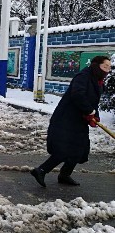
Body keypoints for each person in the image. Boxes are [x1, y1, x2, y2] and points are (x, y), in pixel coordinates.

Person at [30, 55, 111, 187]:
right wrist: (89, 111)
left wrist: (95, 116)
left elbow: (93, 101)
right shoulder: (83, 76)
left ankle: (64, 175)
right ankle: (41, 171)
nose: (107, 70)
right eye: (104, 66)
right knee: (64, 149)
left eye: (109, 67)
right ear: (96, 66)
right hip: (66, 119)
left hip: (79, 120)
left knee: (80, 149)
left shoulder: (98, 81)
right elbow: (77, 94)